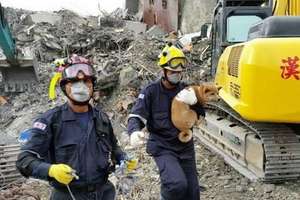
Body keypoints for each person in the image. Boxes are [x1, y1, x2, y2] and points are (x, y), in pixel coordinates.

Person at [16, 54, 134, 200]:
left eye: (86, 81)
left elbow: (114, 148)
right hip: (68, 195)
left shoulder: (102, 118)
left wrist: (123, 158)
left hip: (104, 193)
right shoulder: (51, 120)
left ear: (93, 86)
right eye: (74, 82)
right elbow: (24, 160)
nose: (81, 86)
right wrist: (51, 170)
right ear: (65, 87)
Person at [127, 43, 205, 200]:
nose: (177, 74)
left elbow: (199, 115)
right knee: (176, 184)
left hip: (185, 147)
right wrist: (134, 131)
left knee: (192, 193)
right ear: (163, 70)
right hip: (162, 146)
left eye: (179, 72)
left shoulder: (186, 90)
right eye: (172, 71)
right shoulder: (151, 92)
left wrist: (197, 104)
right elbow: (137, 115)